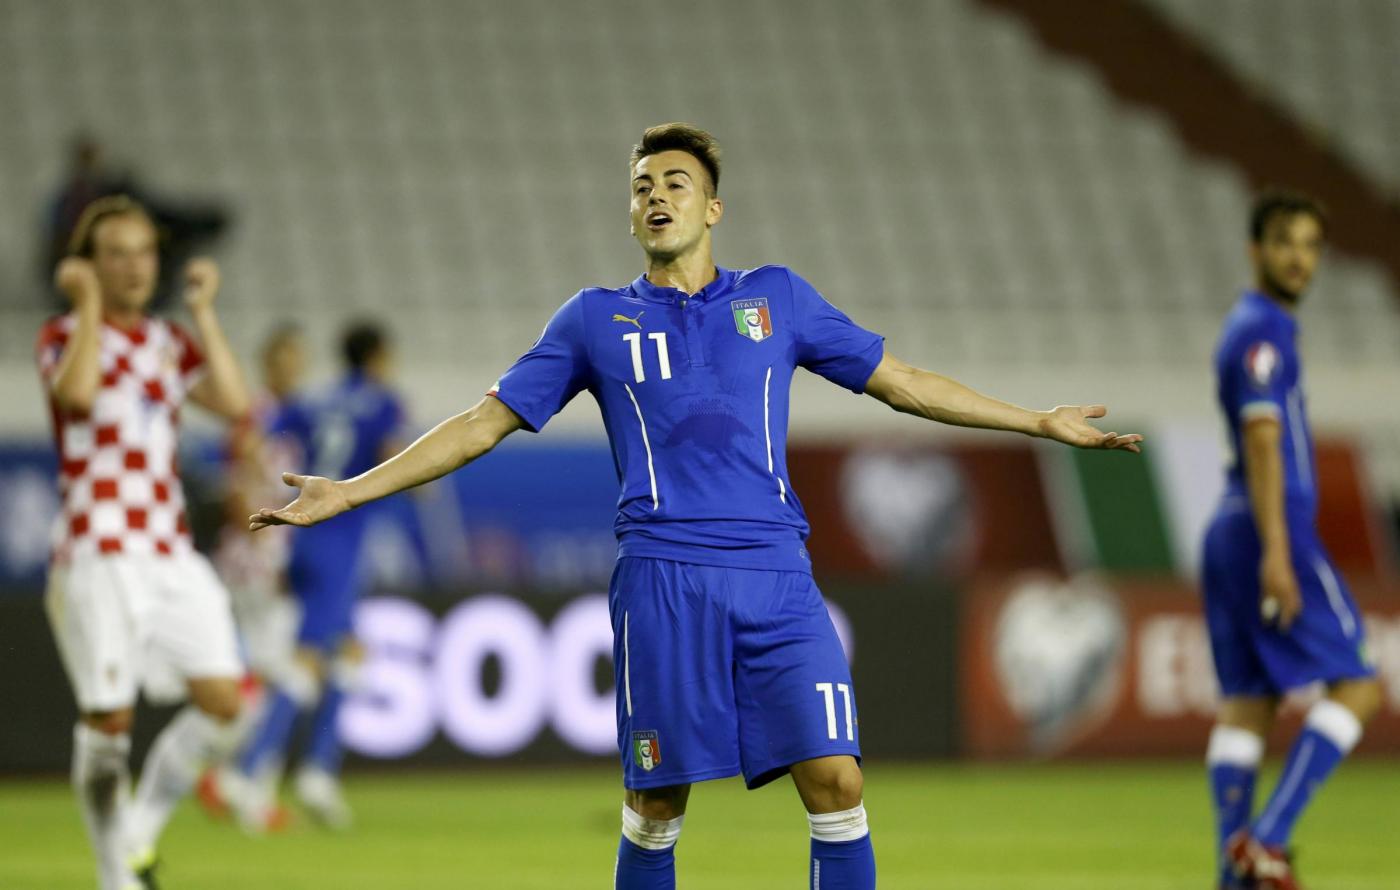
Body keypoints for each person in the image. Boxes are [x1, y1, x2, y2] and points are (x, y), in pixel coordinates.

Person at [248, 123, 1142, 890]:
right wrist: (350, 490)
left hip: (779, 578)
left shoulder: (777, 298)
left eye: (675, 183)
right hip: (664, 580)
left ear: (713, 208)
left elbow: (902, 381)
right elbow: (482, 425)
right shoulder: (593, 320)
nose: (656, 196)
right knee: (656, 804)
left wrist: (1036, 420)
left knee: (837, 782)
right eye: (642, 186)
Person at [36, 195, 250, 890]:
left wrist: (204, 313)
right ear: (89, 266)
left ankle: (137, 834)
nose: (135, 266)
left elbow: (235, 404)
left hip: (169, 550)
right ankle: (114, 876)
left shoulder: (167, 341)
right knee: (110, 723)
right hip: (97, 549)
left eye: (145, 253)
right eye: (117, 254)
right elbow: (77, 396)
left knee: (227, 703)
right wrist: (86, 306)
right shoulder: (63, 333)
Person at [1201, 191, 1382, 890]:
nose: (1300, 258)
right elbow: (1263, 438)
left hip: (1230, 526)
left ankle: (1233, 874)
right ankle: (1268, 842)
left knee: (1249, 701)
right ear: (1256, 251)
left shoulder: (1248, 327)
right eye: (1285, 243)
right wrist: (1279, 549)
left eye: (1310, 245)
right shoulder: (1264, 332)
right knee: (1359, 686)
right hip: (1268, 528)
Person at [224, 322, 407, 831]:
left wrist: (248, 475)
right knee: (305, 658)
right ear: (378, 357)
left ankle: (319, 772)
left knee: (349, 651)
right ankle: (246, 770)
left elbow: (257, 439)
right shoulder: (383, 402)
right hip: (339, 535)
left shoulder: (314, 401)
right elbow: (394, 456)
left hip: (304, 536)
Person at [198, 325, 309, 827]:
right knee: (286, 677)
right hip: (256, 566)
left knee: (260, 679)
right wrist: (269, 555)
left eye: (297, 360)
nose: (292, 369)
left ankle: (228, 774)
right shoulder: (256, 417)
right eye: (284, 360)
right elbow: (237, 491)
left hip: (264, 561)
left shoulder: (293, 417)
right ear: (268, 364)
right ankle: (241, 783)